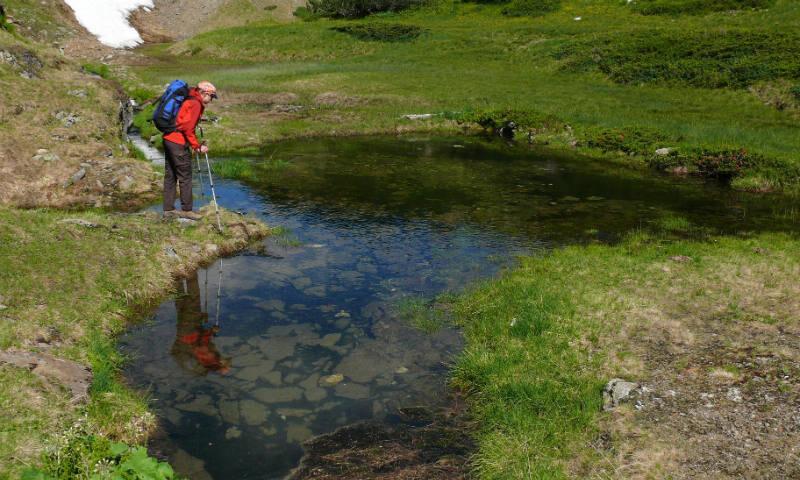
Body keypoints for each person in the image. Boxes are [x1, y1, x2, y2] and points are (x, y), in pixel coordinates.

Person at [162, 81, 217, 220]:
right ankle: (187, 210)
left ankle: (168, 209)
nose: (211, 100)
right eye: (211, 97)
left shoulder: (189, 97)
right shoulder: (196, 103)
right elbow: (187, 127)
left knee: (170, 175)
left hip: (168, 138)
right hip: (178, 142)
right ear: (204, 93)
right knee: (185, 176)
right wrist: (197, 146)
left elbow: (184, 124)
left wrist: (194, 143)